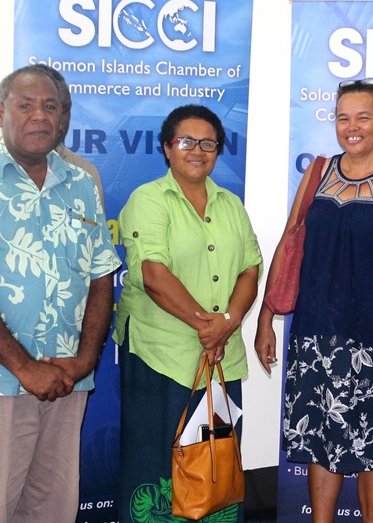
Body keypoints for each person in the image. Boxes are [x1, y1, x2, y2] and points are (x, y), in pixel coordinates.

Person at [0, 63, 120, 522]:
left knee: (54, 507)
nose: (39, 116)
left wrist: (85, 360)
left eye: (50, 106)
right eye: (25, 105)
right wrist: (25, 368)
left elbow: (100, 277)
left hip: (67, 378)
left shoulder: (81, 182)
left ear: (63, 116)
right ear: (1, 113)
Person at [254, 78, 373, 523]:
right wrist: (265, 317)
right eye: (343, 118)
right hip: (316, 336)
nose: (352, 127)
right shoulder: (317, 173)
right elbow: (288, 245)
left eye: (363, 117)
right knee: (319, 442)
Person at [114, 104, 261, 521]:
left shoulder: (230, 204)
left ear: (218, 150)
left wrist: (227, 323)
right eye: (186, 141)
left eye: (208, 143)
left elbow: (251, 268)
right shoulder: (148, 200)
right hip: (159, 357)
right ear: (167, 147)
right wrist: (207, 327)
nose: (197, 150)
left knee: (214, 464)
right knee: (155, 464)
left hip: (219, 360)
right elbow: (153, 275)